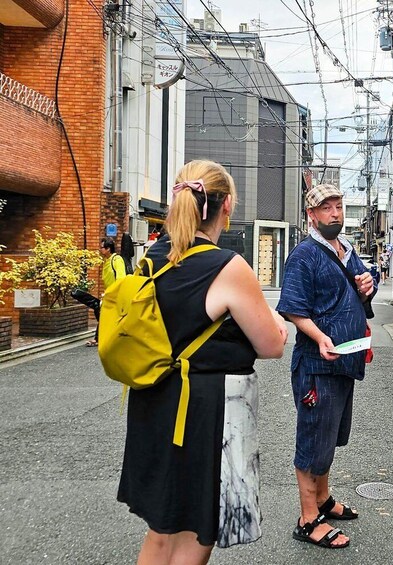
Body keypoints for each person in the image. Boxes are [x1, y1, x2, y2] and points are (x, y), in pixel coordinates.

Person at [116, 160, 288, 565]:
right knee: (197, 530)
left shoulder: (150, 257)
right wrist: (278, 323)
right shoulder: (227, 267)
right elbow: (271, 345)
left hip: (152, 399)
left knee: (161, 528)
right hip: (200, 411)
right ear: (226, 205)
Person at [277, 183, 375, 549]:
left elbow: (365, 287)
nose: (335, 212)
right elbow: (292, 307)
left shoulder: (347, 250)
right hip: (317, 363)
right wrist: (319, 336)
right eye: (327, 208)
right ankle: (307, 518)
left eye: (338, 205)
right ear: (312, 215)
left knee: (330, 436)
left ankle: (323, 498)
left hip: (345, 359)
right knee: (313, 438)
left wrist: (368, 283)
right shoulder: (304, 255)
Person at [72, 237, 127, 347]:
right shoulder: (107, 261)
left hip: (115, 295)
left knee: (101, 312)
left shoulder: (117, 260)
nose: (99, 250)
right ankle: (102, 338)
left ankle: (100, 339)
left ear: (108, 249)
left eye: (101, 248)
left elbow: (121, 279)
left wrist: (113, 294)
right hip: (109, 295)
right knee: (100, 312)